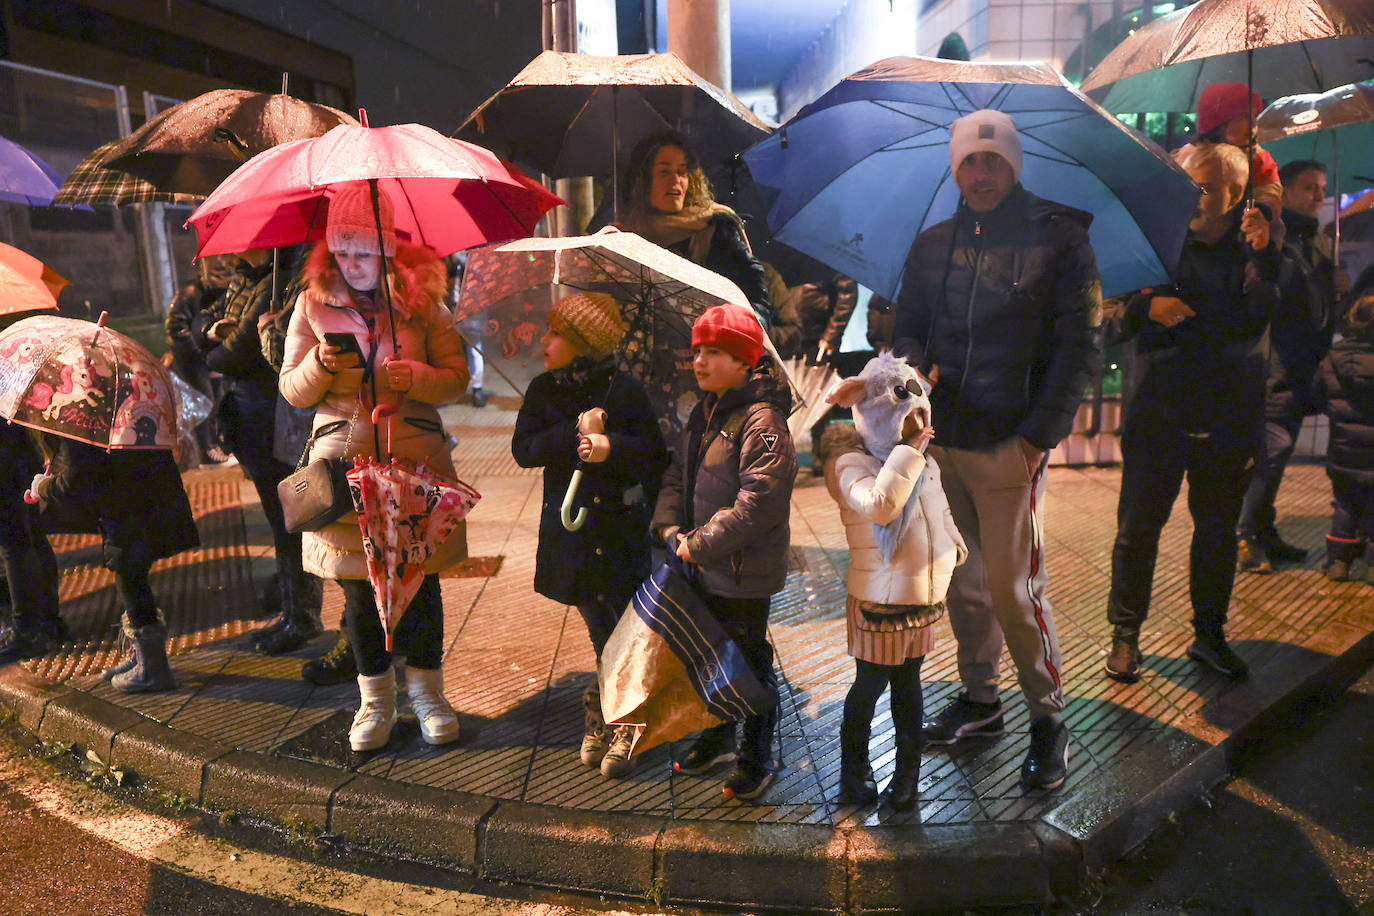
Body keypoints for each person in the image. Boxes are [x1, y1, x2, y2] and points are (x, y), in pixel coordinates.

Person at [891, 109, 1102, 791]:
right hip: (942, 442)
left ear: (1013, 164)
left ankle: (1049, 719)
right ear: (955, 168)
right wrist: (915, 368)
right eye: (969, 162)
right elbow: (907, 329)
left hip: (1012, 444)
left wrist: (1040, 436)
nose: (981, 174)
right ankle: (982, 702)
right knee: (964, 585)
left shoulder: (1060, 239)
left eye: (993, 160)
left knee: (1015, 594)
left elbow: (1080, 347)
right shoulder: (931, 246)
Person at [279, 181, 470, 752]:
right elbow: (291, 390)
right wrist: (318, 362)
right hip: (345, 466)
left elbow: (456, 378)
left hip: (415, 462)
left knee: (422, 586)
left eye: (364, 251)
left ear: (388, 249)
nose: (352, 263)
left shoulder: (425, 304)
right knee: (360, 594)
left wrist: (421, 378)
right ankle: (374, 702)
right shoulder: (311, 304)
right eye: (342, 251)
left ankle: (429, 695)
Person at [1102, 141, 1280, 685]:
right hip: (1158, 413)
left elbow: (1286, 317)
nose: (1192, 198)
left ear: (1235, 198)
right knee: (1137, 531)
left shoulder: (1259, 252)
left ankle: (1209, 636)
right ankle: (1125, 636)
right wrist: (1142, 307)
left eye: (1204, 188)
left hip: (1228, 416)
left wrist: (1269, 260)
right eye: (1185, 186)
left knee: (1218, 534)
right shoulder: (1151, 247)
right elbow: (1100, 317)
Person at [512, 291, 668, 779]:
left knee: (622, 624)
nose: (545, 340)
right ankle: (611, 707)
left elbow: (652, 453)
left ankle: (624, 716)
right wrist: (571, 431)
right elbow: (524, 449)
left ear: (583, 343)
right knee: (599, 623)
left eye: (557, 333)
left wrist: (610, 445)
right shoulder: (544, 390)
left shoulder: (623, 390)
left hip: (618, 531)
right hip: (572, 532)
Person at [652, 305, 797, 801]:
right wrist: (669, 526)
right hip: (700, 561)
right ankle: (717, 735)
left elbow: (759, 504)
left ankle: (757, 754)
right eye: (696, 350)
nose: (699, 361)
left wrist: (699, 543)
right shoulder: (706, 410)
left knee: (749, 662)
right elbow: (678, 474)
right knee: (709, 654)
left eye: (714, 351)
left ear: (745, 360)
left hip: (739, 568)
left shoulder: (764, 421)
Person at [820, 352, 966, 810]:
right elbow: (882, 504)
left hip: (921, 598)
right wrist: (910, 453)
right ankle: (854, 771)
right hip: (878, 602)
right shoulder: (850, 466)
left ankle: (907, 778)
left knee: (910, 689)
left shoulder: (925, 463)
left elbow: (939, 514)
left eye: (923, 412)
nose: (921, 423)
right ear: (882, 415)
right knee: (868, 686)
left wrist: (954, 549)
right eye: (909, 414)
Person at [194, 245, 324, 655]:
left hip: (273, 415)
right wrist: (213, 334)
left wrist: (218, 344)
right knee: (277, 517)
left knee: (291, 517)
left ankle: (301, 616)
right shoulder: (245, 281)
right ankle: (291, 612)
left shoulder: (279, 282)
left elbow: (234, 354)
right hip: (246, 414)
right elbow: (204, 326)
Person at [29, 434, 199, 692]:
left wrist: (43, 487)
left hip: (125, 508)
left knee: (130, 577)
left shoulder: (81, 413)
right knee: (132, 574)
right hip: (145, 493)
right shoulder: (120, 404)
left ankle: (153, 669)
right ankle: (143, 657)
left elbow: (78, 479)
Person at [1237, 159, 1342, 573]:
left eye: (1321, 187)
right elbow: (1280, 294)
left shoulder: (1317, 240)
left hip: (1304, 364)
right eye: (1309, 188)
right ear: (1288, 192)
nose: (1319, 196)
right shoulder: (1280, 235)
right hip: (1276, 363)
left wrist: (1335, 286)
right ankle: (1246, 535)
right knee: (1271, 451)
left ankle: (1265, 530)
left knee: (1279, 450)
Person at [614, 131, 772, 327]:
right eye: (664, 172)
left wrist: (730, 332)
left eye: (682, 172)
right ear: (644, 180)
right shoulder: (626, 239)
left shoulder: (715, 227)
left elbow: (754, 303)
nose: (675, 180)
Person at [1315, 295, 1374, 583]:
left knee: (1345, 505)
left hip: (1343, 449)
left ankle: (1338, 562)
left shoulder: (1333, 357)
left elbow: (1318, 394)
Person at [0, 419, 65, 665]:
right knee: (32, 535)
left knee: (13, 543)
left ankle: (27, 631)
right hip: (21, 444)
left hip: (7, 456)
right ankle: (49, 621)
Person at [1193, 81, 1285, 247]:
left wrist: (1264, 208)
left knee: (1276, 227)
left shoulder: (1258, 158)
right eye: (1244, 117)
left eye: (1255, 117)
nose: (1253, 125)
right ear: (1219, 123)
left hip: (1239, 230)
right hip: (1199, 230)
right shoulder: (1193, 156)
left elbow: (1270, 189)